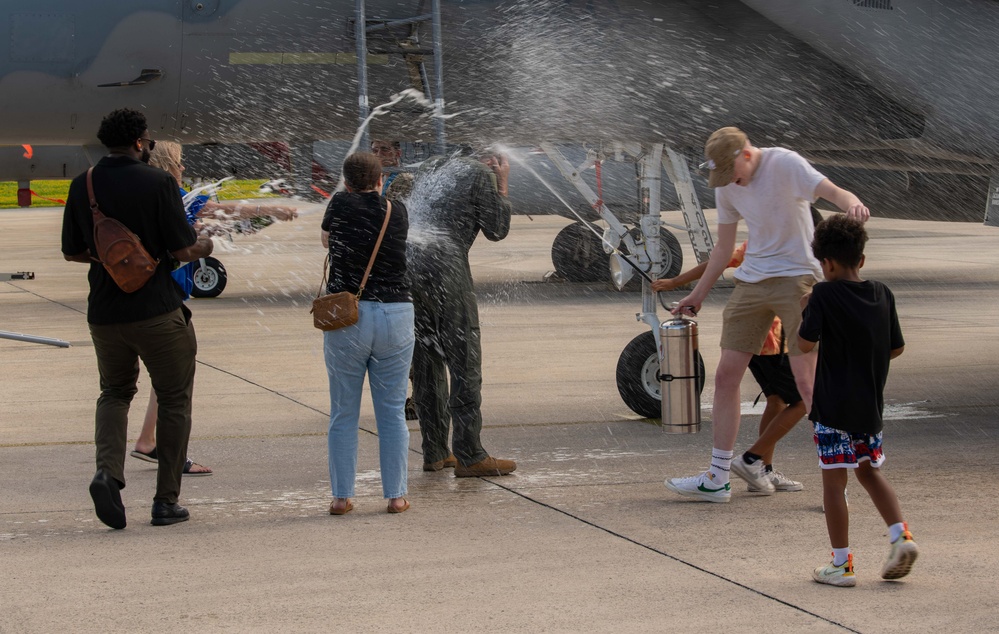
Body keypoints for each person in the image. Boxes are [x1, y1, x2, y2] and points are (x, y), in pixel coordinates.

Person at [664, 126, 869, 503]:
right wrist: (697, 294)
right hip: (752, 282)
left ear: (746, 153)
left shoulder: (785, 164)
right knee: (726, 377)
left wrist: (852, 204)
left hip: (797, 280)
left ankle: (837, 487)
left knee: (809, 386)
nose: (731, 184)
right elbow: (724, 250)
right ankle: (718, 477)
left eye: (733, 173)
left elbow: (834, 192)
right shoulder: (727, 185)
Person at [61, 108, 214, 528]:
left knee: (114, 392)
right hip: (157, 312)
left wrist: (113, 259)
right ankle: (165, 501)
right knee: (173, 398)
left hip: (105, 314)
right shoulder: (160, 182)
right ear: (140, 142)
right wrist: (205, 244)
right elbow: (183, 251)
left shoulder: (83, 184)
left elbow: (72, 252)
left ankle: (108, 472)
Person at [799, 214, 916, 586]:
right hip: (869, 407)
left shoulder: (823, 294)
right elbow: (895, 348)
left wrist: (807, 308)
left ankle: (841, 564)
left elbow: (804, 344)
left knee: (835, 485)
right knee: (869, 471)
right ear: (861, 260)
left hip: (832, 409)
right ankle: (900, 535)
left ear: (826, 264)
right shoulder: (882, 293)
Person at [653, 240, 805, 493]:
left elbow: (717, 260)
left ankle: (762, 470)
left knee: (777, 400)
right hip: (771, 341)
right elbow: (717, 260)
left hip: (760, 337)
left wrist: (677, 282)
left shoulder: (759, 244)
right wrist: (676, 283)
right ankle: (752, 461)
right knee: (801, 402)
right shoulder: (787, 246)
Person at [407, 148, 517, 477]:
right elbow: (497, 229)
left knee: (425, 359)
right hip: (445, 268)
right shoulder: (481, 173)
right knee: (464, 356)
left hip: (409, 266)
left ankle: (435, 450)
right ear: (492, 158)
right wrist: (502, 183)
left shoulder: (432, 166)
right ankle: (470, 452)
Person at [320, 152, 414, 515]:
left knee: (344, 411)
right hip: (396, 313)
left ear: (346, 183)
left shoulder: (339, 204)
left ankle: (342, 497)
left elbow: (326, 240)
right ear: (381, 181)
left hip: (349, 315)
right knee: (391, 411)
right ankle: (396, 496)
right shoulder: (398, 210)